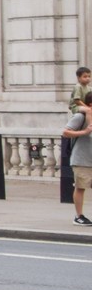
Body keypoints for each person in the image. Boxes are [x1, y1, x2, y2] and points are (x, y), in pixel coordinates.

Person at [62, 90, 92, 226]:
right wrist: (84, 132)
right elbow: (66, 132)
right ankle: (78, 216)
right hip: (82, 159)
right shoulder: (80, 117)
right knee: (81, 187)